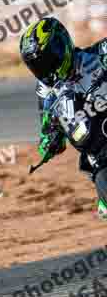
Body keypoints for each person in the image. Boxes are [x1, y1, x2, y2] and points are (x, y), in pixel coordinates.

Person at [20, 16, 107, 219]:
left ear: (62, 46)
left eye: (48, 60)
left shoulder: (99, 53)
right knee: (89, 161)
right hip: (96, 143)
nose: (45, 69)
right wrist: (49, 141)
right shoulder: (46, 90)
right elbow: (47, 123)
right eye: (37, 65)